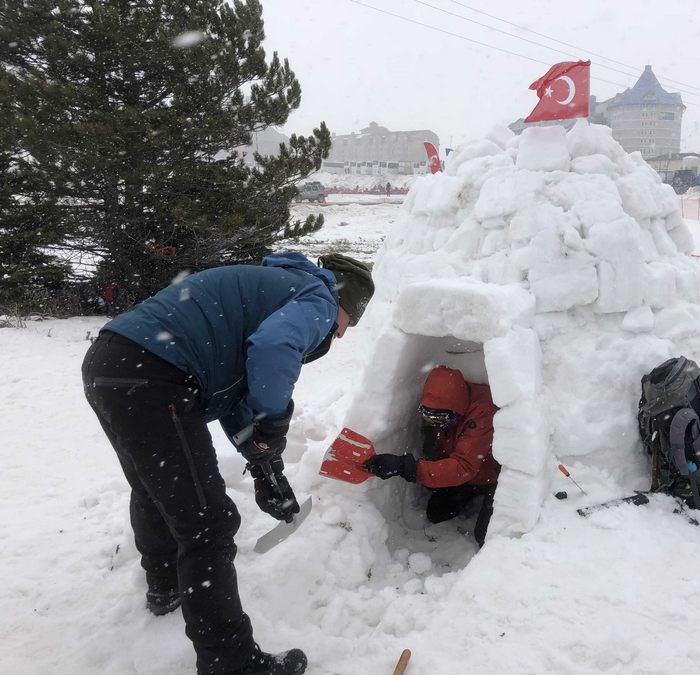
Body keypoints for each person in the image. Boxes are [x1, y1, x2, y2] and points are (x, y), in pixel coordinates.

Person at [81, 251, 375, 674]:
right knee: (209, 525)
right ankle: (232, 663)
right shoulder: (320, 299)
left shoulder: (270, 289)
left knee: (154, 489)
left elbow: (234, 392)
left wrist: (263, 463)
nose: (343, 334)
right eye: (351, 322)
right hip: (156, 374)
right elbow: (275, 348)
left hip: (112, 361)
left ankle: (165, 586)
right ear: (345, 304)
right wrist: (274, 418)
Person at [363, 366, 501, 547]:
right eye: (430, 417)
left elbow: (464, 467)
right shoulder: (444, 410)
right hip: (467, 478)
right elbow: (442, 448)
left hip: (492, 478)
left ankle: (487, 496)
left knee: (485, 537)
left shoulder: (483, 412)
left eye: (440, 418)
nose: (436, 423)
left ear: (457, 409)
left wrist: (405, 467)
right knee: (436, 512)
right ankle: (470, 492)